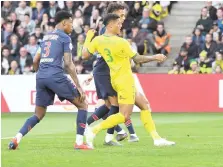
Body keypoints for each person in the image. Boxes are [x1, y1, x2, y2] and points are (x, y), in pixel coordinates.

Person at [82, 13, 175, 148]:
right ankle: (93, 130)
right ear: (110, 25)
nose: (121, 25)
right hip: (124, 80)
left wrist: (89, 37)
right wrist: (155, 57)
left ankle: (156, 138)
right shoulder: (121, 42)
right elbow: (137, 59)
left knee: (144, 105)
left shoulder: (98, 40)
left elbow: (84, 55)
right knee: (124, 115)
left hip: (115, 78)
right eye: (118, 23)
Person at [8, 11, 92, 150]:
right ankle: (78, 143)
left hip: (41, 76)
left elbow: (36, 60)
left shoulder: (46, 37)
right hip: (56, 76)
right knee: (83, 105)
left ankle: (16, 138)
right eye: (71, 23)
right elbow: (69, 64)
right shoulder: (65, 38)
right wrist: (79, 87)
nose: (72, 26)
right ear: (64, 23)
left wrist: (41, 74)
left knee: (38, 114)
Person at [82, 3, 138, 146]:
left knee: (109, 105)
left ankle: (90, 128)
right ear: (113, 14)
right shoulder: (106, 31)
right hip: (104, 71)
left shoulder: (112, 30)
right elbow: (96, 54)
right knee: (114, 105)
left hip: (106, 71)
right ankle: (98, 133)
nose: (123, 17)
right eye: (121, 14)